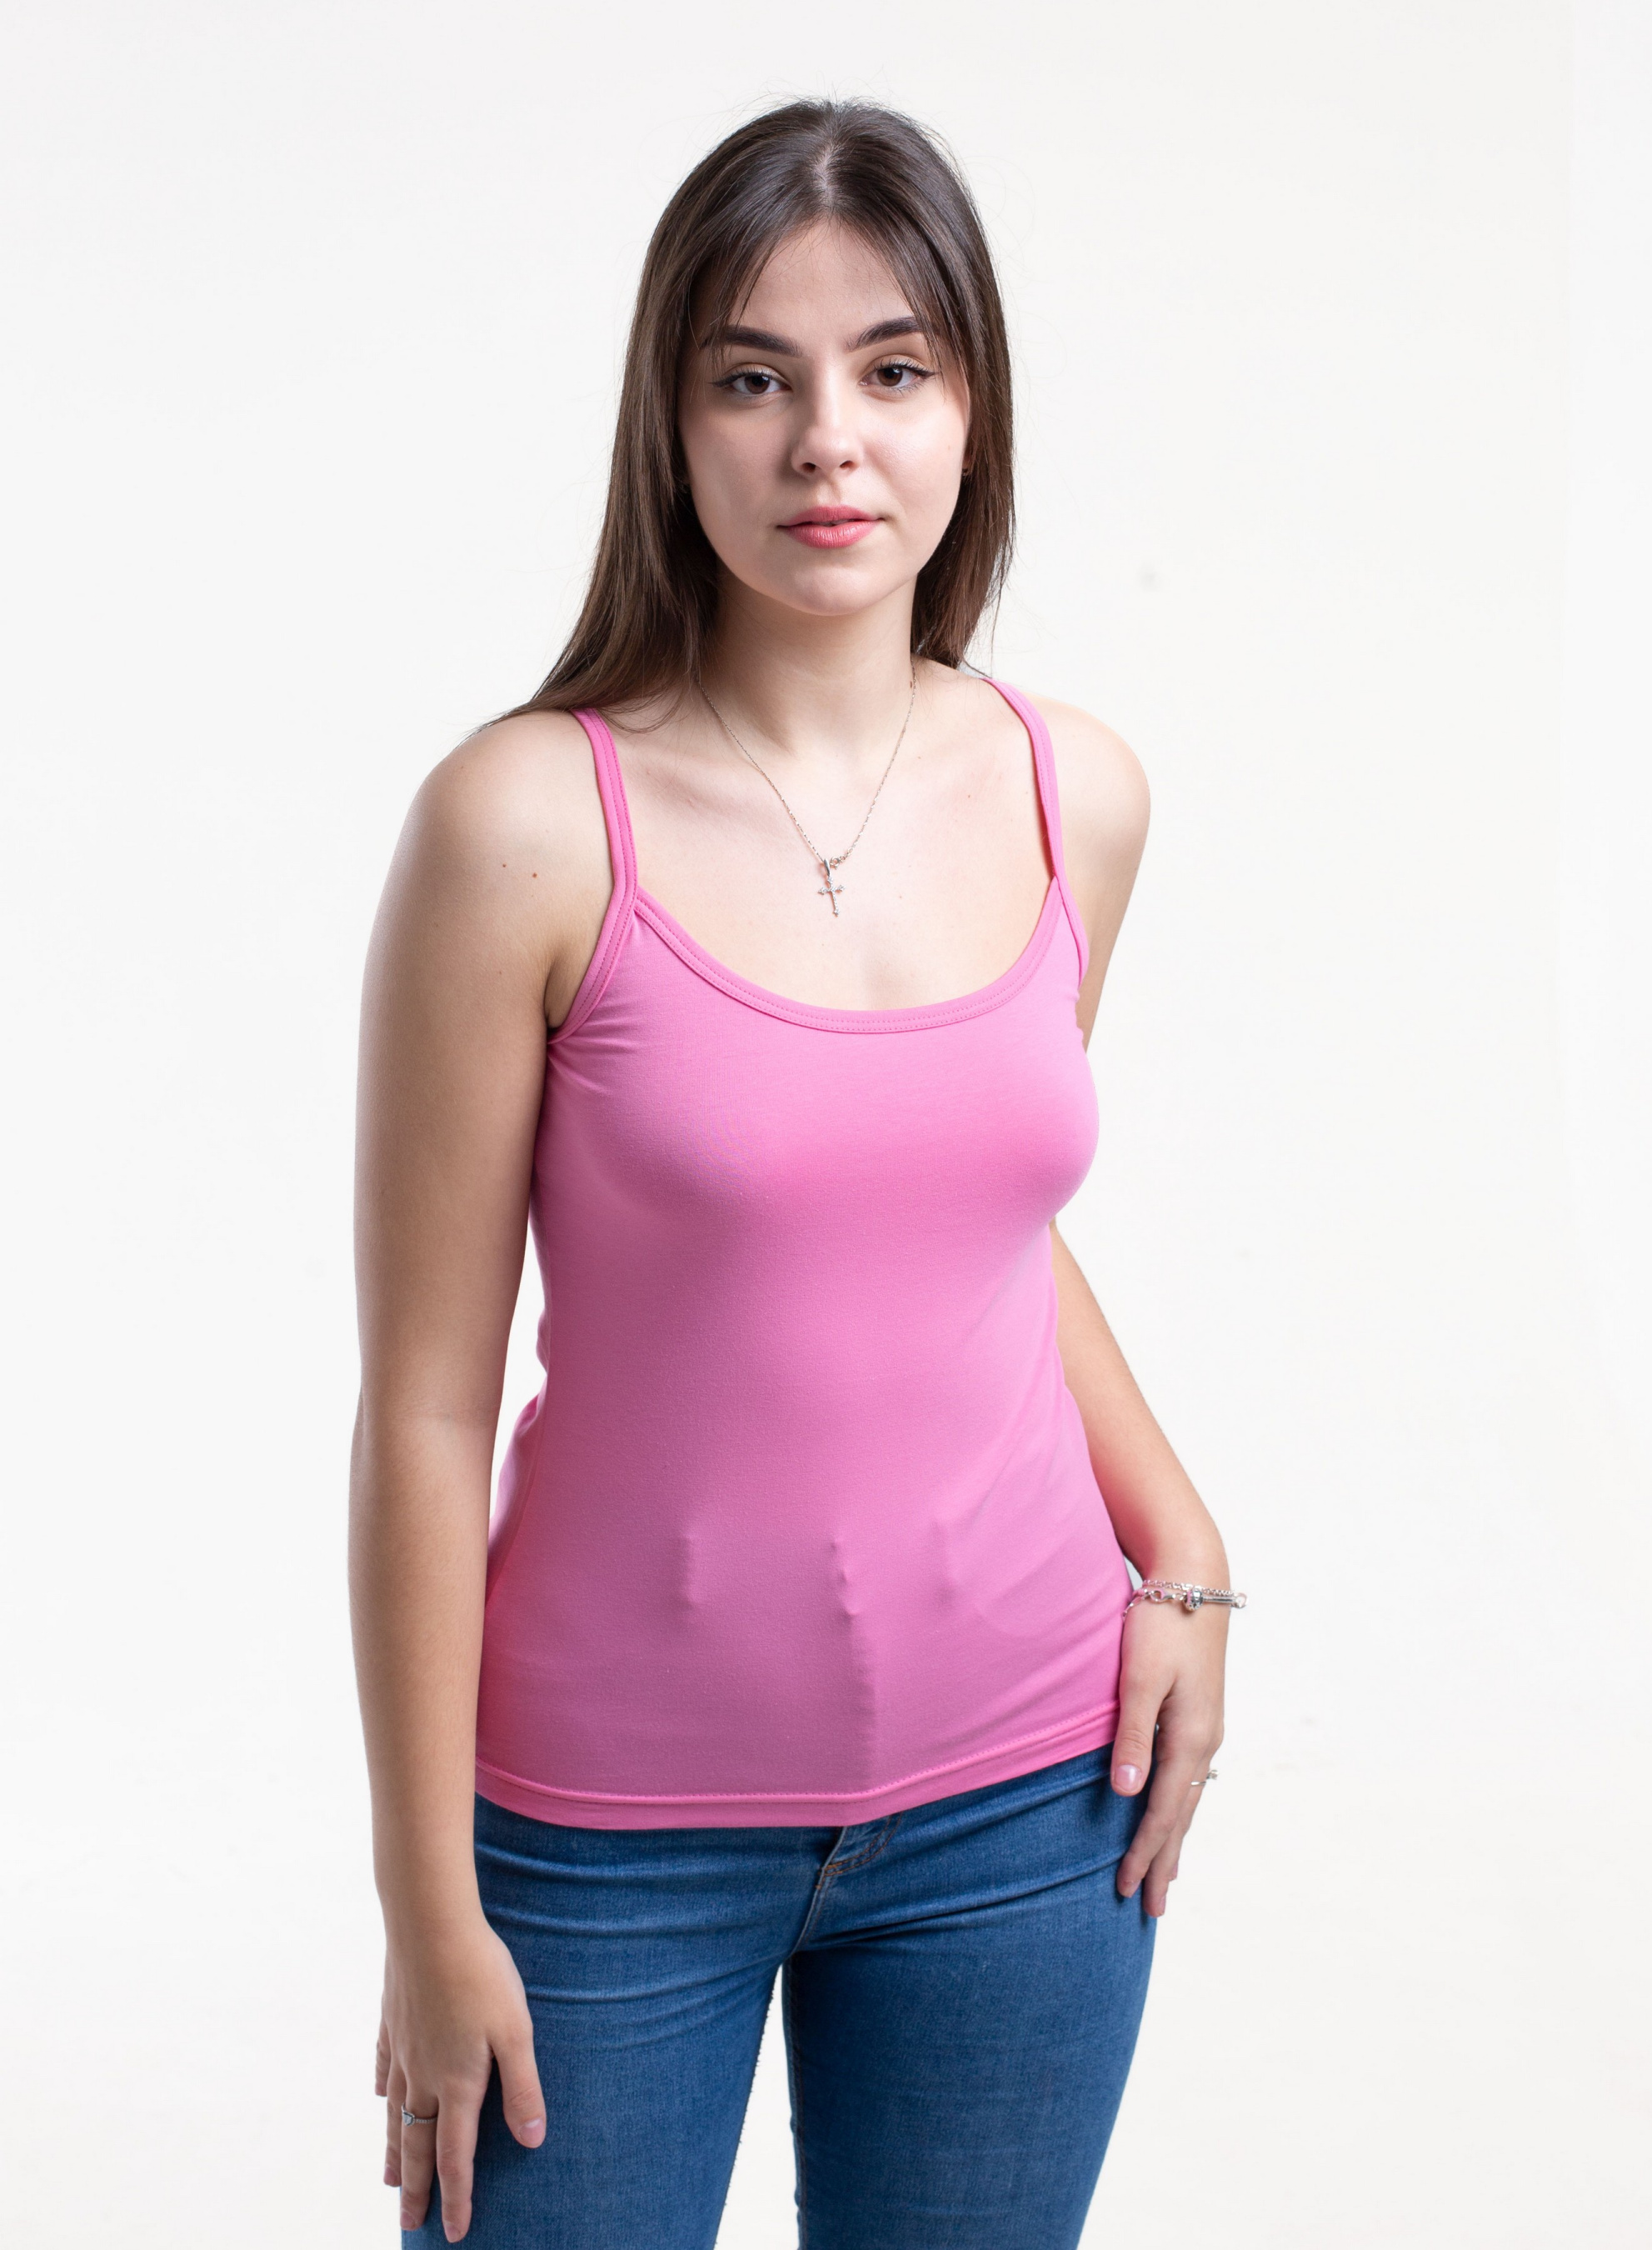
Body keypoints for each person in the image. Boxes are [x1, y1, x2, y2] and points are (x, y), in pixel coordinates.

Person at [349, 97, 1243, 2250]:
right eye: (753, 377)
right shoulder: (526, 825)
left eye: (892, 368)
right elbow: (425, 1407)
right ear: (671, 427)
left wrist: (1184, 1542)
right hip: (602, 1836)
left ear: (971, 408)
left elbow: (970, 1224)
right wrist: (428, 1905)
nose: (827, 440)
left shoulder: (1075, 792)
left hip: (1030, 1800)